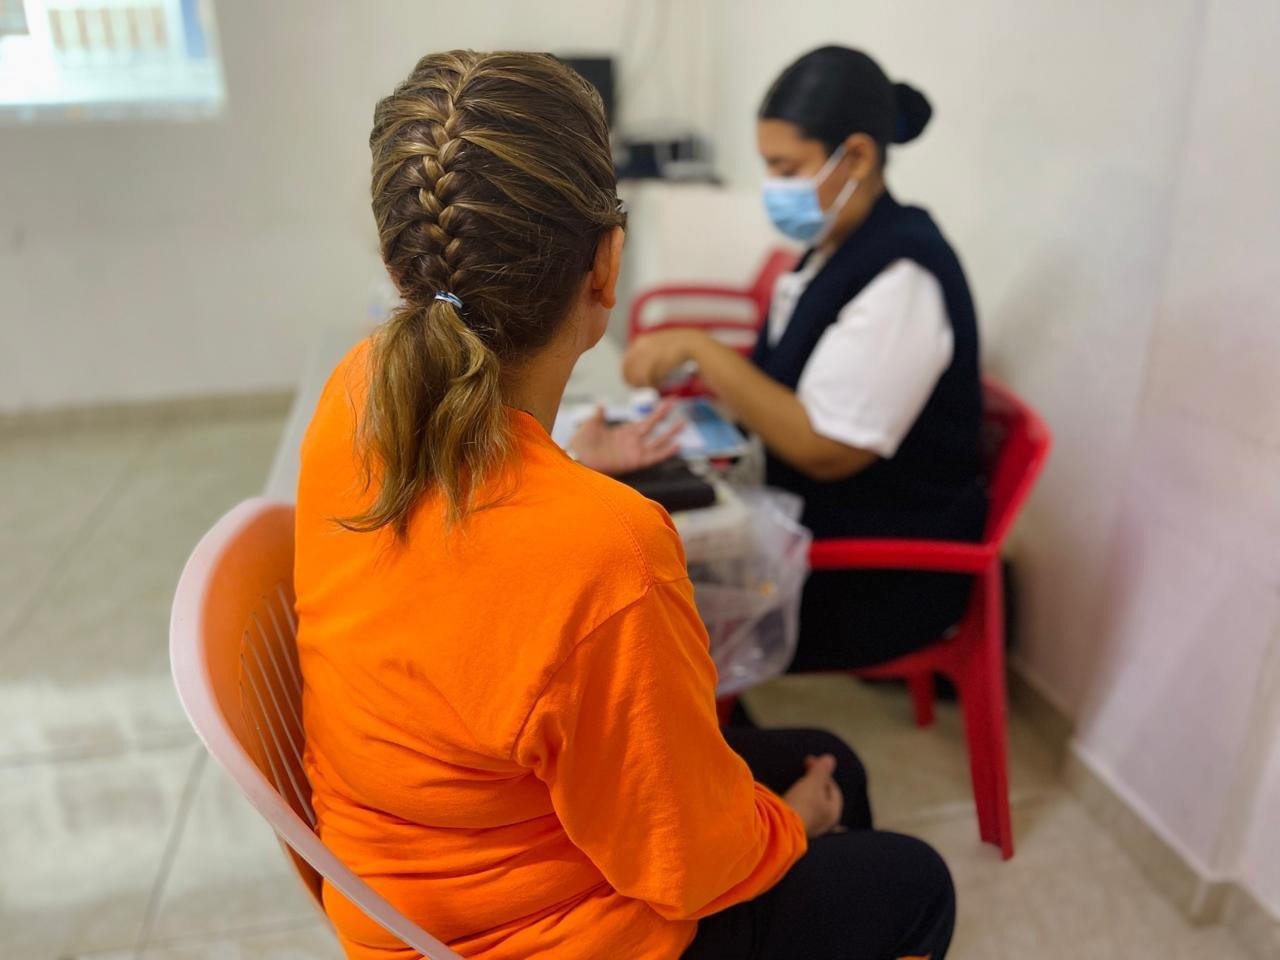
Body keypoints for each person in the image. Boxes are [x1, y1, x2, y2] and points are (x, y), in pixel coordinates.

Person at [294, 50, 954, 960]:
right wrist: (794, 823)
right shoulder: (608, 551)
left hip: (400, 883)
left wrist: (559, 464)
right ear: (607, 268)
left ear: (396, 259)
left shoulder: (358, 388)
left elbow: (469, 561)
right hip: (527, 934)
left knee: (821, 753)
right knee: (911, 880)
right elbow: (689, 869)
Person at [622, 46, 987, 674]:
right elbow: (787, 383)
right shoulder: (830, 251)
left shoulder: (903, 275)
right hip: (809, 527)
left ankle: (708, 733)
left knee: (635, 610)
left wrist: (700, 349)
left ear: (858, 157)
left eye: (786, 168)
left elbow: (825, 448)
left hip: (877, 576)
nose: (774, 188)